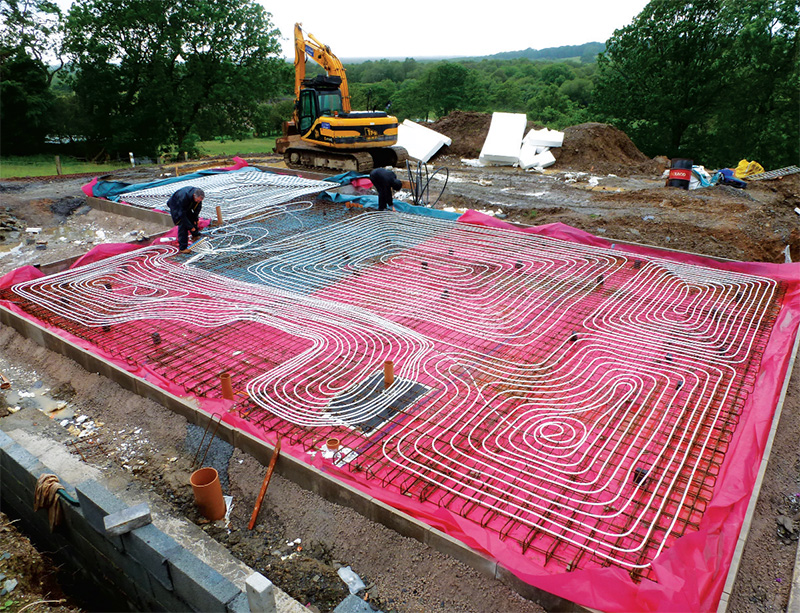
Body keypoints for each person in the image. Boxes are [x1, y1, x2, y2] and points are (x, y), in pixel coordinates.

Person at [166, 186, 204, 252]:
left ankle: (195, 235)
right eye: (197, 200)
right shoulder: (183, 197)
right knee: (182, 225)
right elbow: (182, 215)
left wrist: (195, 219)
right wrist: (190, 226)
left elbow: (197, 208)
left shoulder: (198, 198)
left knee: (193, 219)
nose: (198, 202)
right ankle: (183, 248)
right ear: (194, 196)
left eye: (200, 201)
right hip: (176, 205)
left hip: (186, 205)